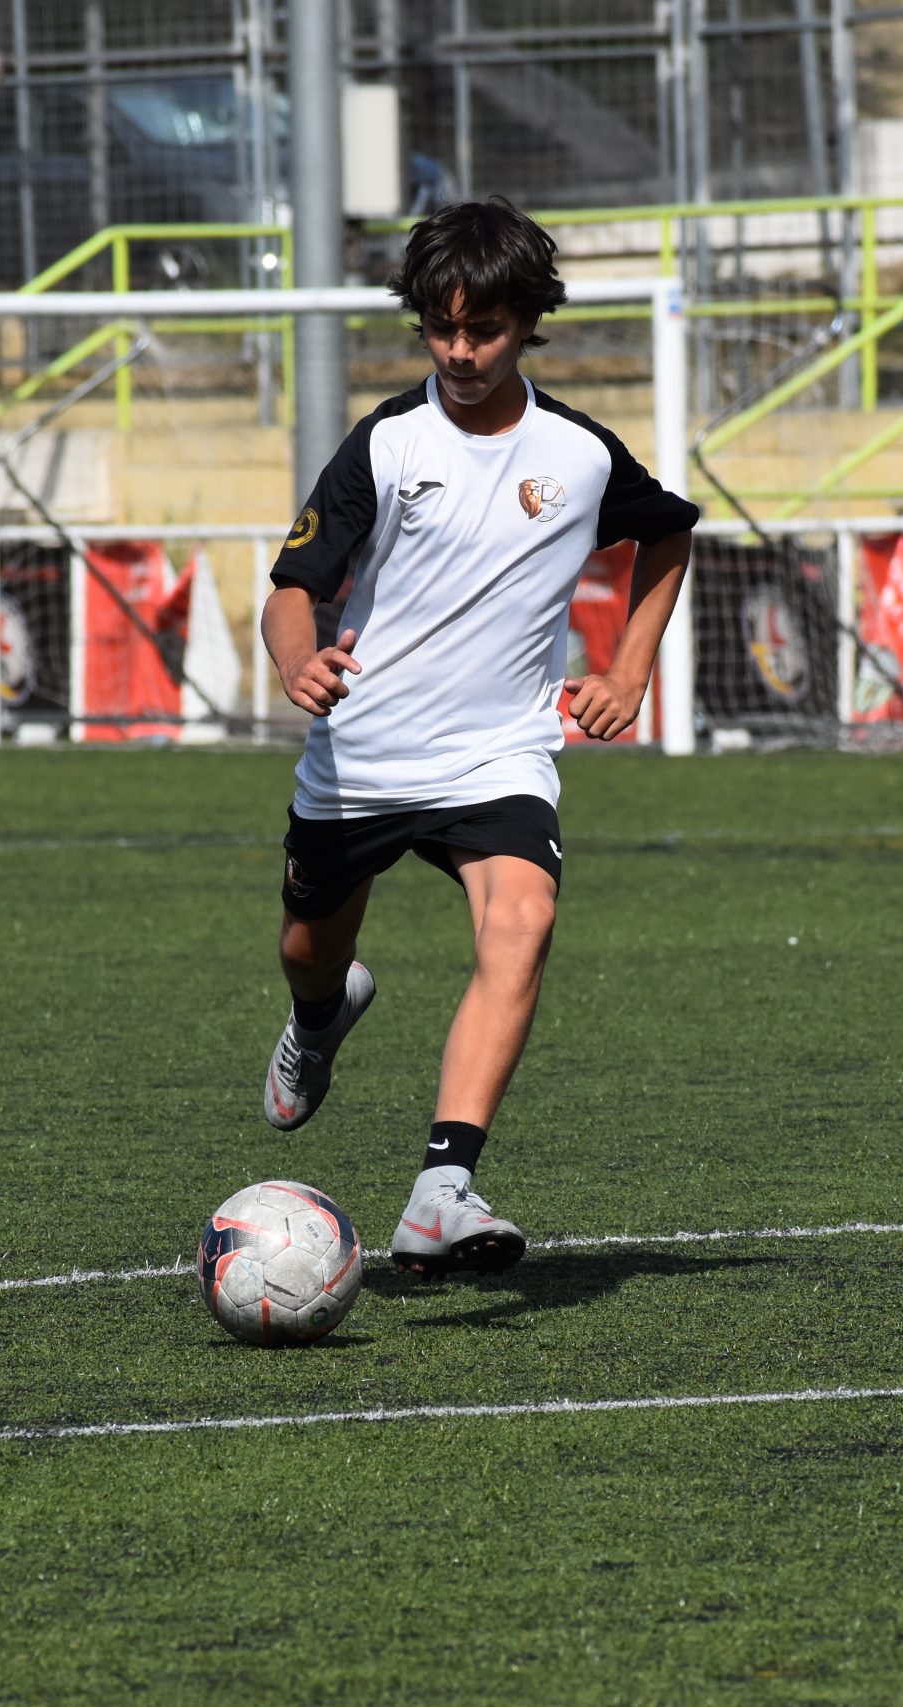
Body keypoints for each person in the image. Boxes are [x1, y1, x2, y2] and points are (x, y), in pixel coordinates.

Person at [257, 197, 699, 1277]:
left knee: (524, 918)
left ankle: (440, 1192)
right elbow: (291, 587)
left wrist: (629, 670)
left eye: (484, 330)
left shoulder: (579, 454)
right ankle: (320, 1018)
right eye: (440, 329)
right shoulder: (387, 443)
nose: (459, 352)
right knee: (309, 950)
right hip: (363, 756)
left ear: (528, 322)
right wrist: (297, 660)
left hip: (498, 754)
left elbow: (666, 536)